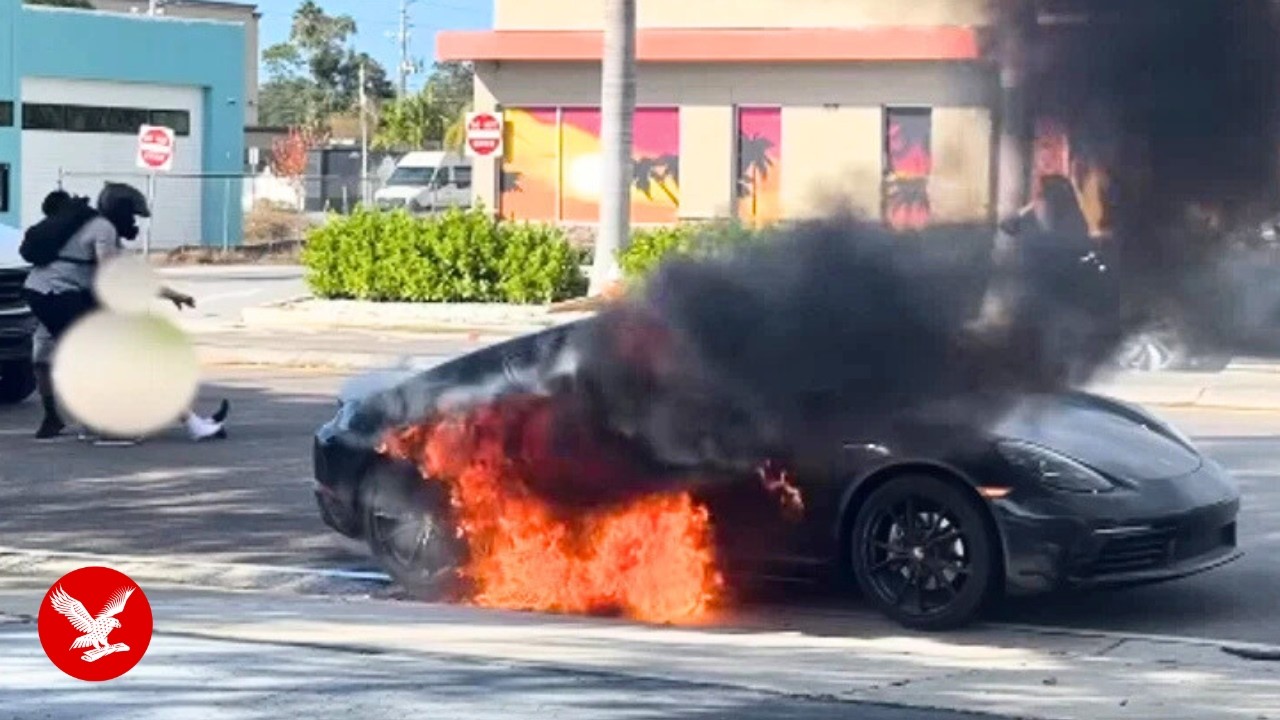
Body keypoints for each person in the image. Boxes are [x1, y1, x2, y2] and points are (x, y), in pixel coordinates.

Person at [23, 183, 229, 442]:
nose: (133, 222)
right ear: (119, 210)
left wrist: (172, 295)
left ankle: (68, 420)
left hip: (43, 293)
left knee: (52, 359)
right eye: (131, 215)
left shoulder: (87, 226)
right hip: (58, 296)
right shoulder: (104, 229)